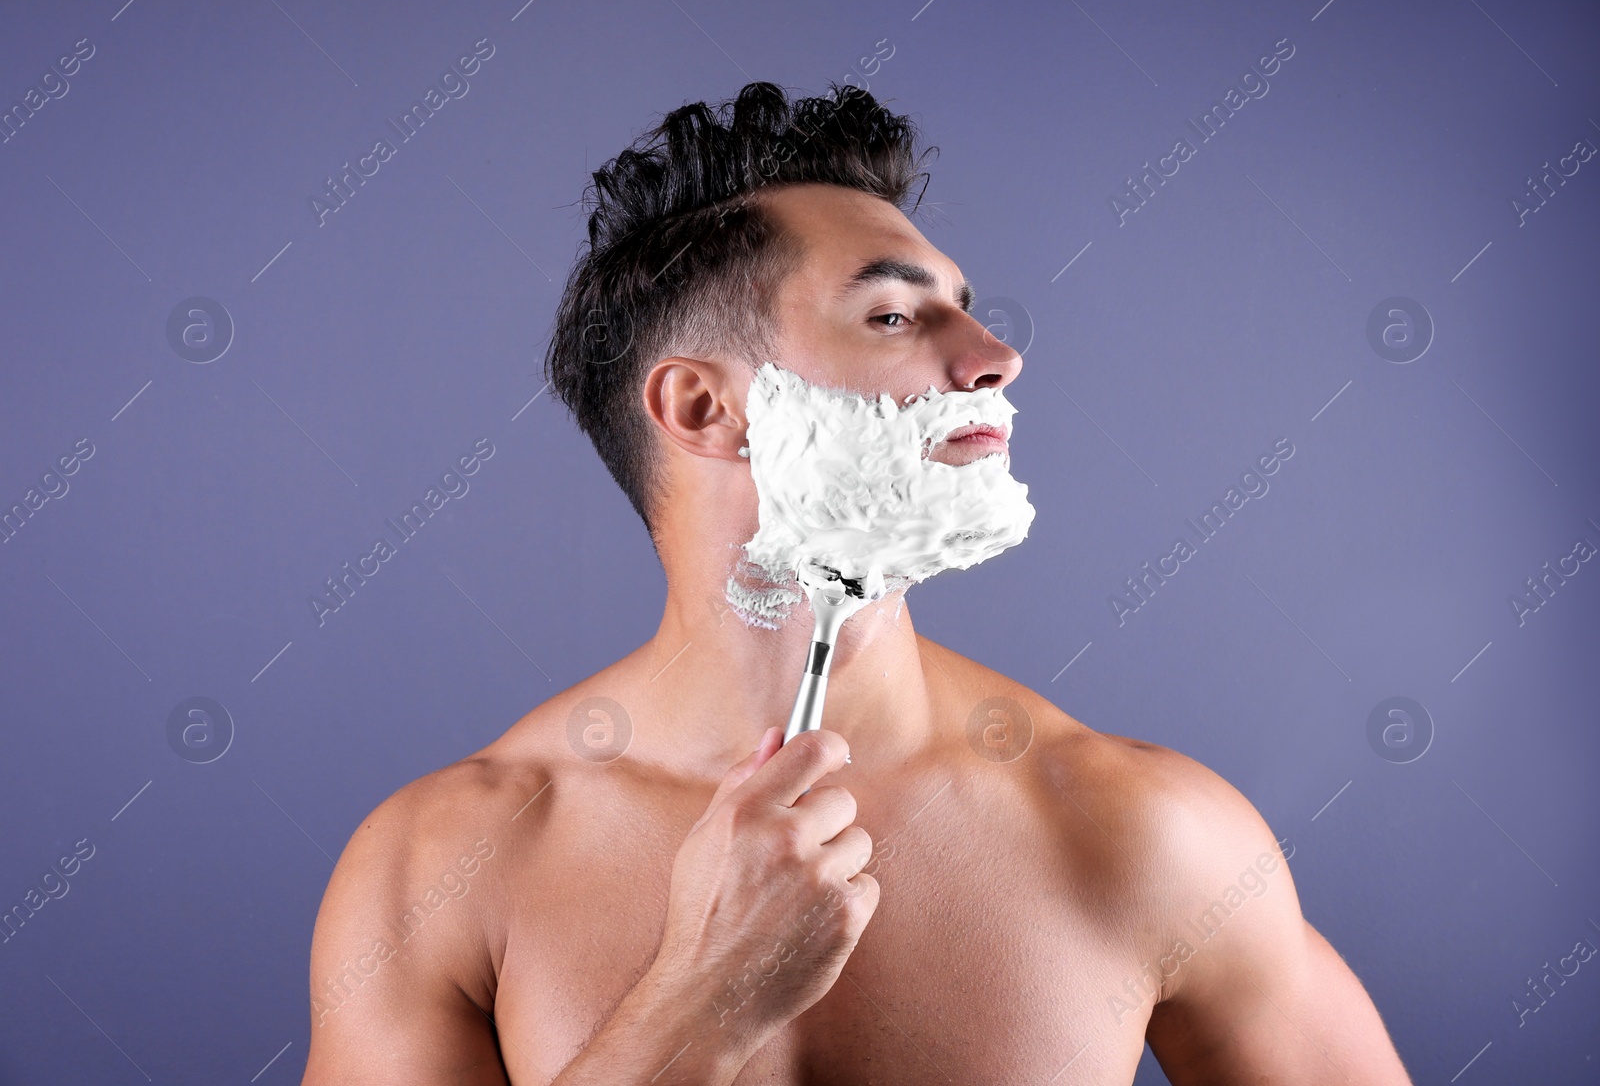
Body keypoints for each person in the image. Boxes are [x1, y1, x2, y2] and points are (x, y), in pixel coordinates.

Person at [301, 81, 1413, 1084]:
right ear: (703, 407)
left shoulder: (1141, 831)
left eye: (965, 306)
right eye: (892, 315)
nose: (993, 355)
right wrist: (699, 995)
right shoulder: (444, 866)